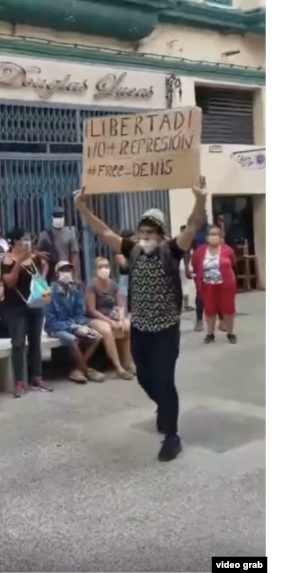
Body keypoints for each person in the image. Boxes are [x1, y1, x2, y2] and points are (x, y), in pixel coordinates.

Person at [75, 176, 208, 462]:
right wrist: (82, 208)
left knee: (164, 379)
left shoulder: (170, 251)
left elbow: (194, 224)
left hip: (165, 330)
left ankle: (172, 436)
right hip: (141, 329)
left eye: (151, 232)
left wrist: (200, 199)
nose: (145, 236)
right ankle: (163, 405)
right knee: (146, 379)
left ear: (161, 234)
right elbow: (103, 231)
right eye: (142, 231)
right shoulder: (133, 251)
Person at [0, 227, 53, 398]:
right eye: (24, 238)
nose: (27, 242)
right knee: (18, 343)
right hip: (16, 307)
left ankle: (36, 377)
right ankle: (19, 381)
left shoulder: (33, 256)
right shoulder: (7, 260)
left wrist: (43, 277)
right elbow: (9, 283)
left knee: (35, 341)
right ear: (15, 241)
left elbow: (45, 264)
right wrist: (18, 264)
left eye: (29, 238)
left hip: (35, 304)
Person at [45, 260, 104, 384]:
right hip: (55, 328)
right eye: (63, 270)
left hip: (73, 325)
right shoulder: (48, 292)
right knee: (72, 339)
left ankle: (77, 370)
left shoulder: (75, 292)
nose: (66, 273)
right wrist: (72, 327)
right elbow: (51, 322)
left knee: (96, 336)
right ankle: (87, 370)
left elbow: (79, 315)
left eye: (68, 270)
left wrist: (82, 326)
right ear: (57, 274)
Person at [85, 256, 135, 380]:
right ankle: (118, 367)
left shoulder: (113, 284)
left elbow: (121, 304)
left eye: (106, 266)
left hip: (112, 316)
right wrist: (109, 321)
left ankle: (128, 362)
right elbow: (91, 310)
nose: (104, 269)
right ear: (95, 269)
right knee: (107, 330)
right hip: (95, 318)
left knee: (129, 326)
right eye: (100, 267)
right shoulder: (91, 286)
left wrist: (122, 319)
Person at [192, 225, 238, 344]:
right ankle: (210, 333)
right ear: (206, 237)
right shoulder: (200, 251)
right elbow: (195, 264)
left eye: (216, 234)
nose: (214, 237)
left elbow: (233, 263)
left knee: (228, 309)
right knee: (210, 310)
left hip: (225, 285)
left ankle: (230, 332)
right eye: (211, 234)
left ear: (220, 236)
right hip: (208, 285)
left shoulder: (227, 250)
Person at [35, 206, 80, 279]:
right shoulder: (45, 235)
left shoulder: (70, 233)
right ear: (52, 218)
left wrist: (72, 271)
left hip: (66, 271)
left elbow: (74, 253)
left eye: (60, 216)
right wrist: (40, 255)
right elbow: (35, 252)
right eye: (56, 217)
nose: (58, 219)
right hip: (52, 273)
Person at [116, 229, 134, 302]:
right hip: (125, 279)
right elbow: (124, 266)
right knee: (124, 300)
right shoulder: (120, 253)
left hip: (133, 278)